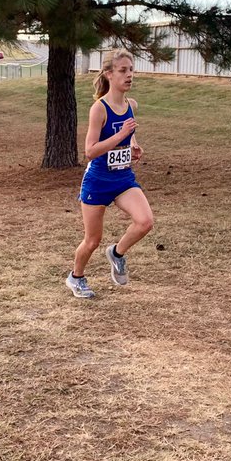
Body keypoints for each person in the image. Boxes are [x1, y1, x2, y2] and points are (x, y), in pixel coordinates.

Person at [66, 48, 154, 299]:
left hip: (123, 178)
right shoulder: (99, 109)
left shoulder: (130, 105)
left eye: (131, 70)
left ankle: (116, 253)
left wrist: (133, 145)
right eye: (123, 71)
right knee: (92, 240)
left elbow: (128, 133)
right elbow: (90, 151)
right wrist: (121, 136)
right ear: (108, 74)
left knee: (145, 222)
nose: (129, 76)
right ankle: (76, 277)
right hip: (98, 181)